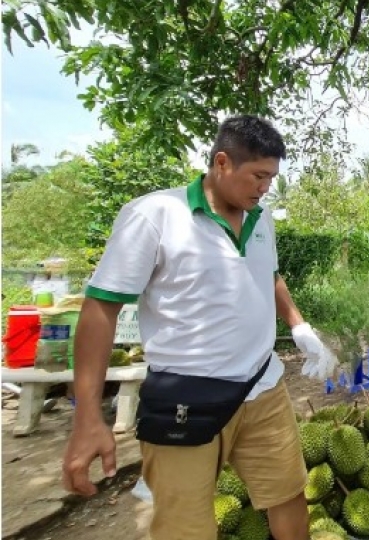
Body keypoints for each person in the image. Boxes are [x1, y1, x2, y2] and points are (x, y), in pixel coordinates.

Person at [61, 116, 339, 540]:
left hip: (263, 389)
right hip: (185, 397)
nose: (265, 187)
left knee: (289, 498)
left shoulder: (260, 220)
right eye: (258, 176)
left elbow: (268, 275)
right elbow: (101, 309)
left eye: (271, 177)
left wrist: (299, 326)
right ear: (223, 162)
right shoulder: (154, 215)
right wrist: (88, 417)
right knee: (184, 526)